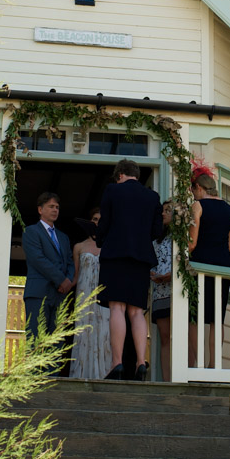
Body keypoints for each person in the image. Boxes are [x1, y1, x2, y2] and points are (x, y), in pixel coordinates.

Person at [97, 159, 163, 381]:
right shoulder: (152, 197)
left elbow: (104, 223)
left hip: (115, 254)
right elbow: (157, 229)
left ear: (120, 175)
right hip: (141, 258)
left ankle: (117, 363)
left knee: (117, 308)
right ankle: (140, 362)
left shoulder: (113, 190)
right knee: (136, 311)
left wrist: (101, 238)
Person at [187, 166, 230, 369]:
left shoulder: (198, 206)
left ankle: (197, 364)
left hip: (201, 266)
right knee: (217, 318)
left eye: (193, 190)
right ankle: (214, 364)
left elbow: (192, 242)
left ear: (199, 187)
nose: (192, 194)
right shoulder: (229, 209)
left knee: (194, 317)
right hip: (223, 267)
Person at [21, 192, 75, 373]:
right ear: (40, 209)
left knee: (57, 338)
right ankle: (35, 378)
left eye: (57, 207)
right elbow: (38, 259)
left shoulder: (64, 237)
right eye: (51, 206)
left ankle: (55, 377)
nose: (55, 210)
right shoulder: (31, 231)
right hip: (38, 292)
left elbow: (69, 262)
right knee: (37, 335)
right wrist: (62, 280)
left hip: (59, 295)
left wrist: (68, 281)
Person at [68, 215, 110, 379]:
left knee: (105, 332)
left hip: (104, 293)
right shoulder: (78, 247)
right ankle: (81, 373)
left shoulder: (109, 244)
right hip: (84, 292)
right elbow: (76, 275)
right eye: (94, 218)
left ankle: (104, 374)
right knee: (84, 330)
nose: (97, 221)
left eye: (100, 218)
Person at [150, 200, 175, 382]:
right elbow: (150, 262)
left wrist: (171, 275)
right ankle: (166, 380)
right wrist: (152, 273)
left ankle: (181, 378)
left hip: (176, 292)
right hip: (159, 292)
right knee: (165, 337)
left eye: (168, 210)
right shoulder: (156, 240)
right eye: (163, 210)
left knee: (181, 336)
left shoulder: (183, 238)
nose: (163, 214)